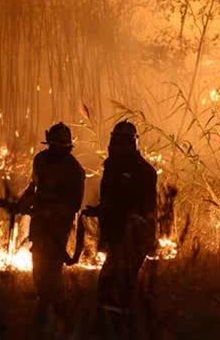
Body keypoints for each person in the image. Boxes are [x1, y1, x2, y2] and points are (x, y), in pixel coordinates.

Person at [0, 122, 85, 328]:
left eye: (60, 145)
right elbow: (34, 187)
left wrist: (49, 212)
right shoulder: (41, 160)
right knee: (39, 270)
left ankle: (53, 318)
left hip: (57, 228)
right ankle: (53, 313)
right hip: (39, 226)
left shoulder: (75, 170)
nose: (56, 149)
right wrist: (19, 206)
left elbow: (73, 205)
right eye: (53, 145)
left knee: (51, 272)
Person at [85, 120, 157, 336]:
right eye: (115, 141)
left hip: (132, 237)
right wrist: (99, 210)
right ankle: (113, 325)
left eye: (122, 141)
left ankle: (119, 327)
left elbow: (143, 208)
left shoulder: (143, 171)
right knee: (111, 282)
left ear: (132, 143)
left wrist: (134, 232)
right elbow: (114, 200)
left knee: (118, 282)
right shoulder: (112, 167)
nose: (116, 146)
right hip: (116, 235)